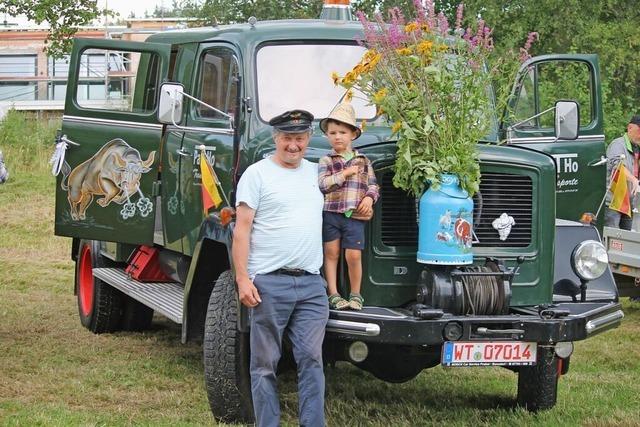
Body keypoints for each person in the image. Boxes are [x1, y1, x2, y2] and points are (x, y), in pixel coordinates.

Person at [232, 109, 328, 427]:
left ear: (308, 139)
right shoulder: (256, 175)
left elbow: (347, 205)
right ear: (276, 138)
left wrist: (367, 202)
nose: (293, 145)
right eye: (287, 138)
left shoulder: (317, 175)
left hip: (313, 286)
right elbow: (242, 230)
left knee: (312, 359)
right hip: (269, 285)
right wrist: (243, 279)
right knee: (265, 364)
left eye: (299, 138)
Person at [318, 102, 379, 311]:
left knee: (353, 255)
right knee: (331, 252)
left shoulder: (363, 160)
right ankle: (333, 293)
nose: (337, 137)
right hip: (331, 213)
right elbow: (322, 185)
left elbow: (373, 185)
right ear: (327, 136)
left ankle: (355, 294)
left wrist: (369, 199)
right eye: (332, 132)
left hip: (354, 215)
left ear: (353, 134)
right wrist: (342, 174)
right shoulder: (326, 160)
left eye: (342, 132)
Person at [605, 115, 640, 230]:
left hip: (629, 204)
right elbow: (618, 167)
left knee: (626, 241)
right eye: (639, 131)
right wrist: (634, 180)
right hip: (613, 204)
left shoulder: (637, 148)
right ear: (629, 128)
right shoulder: (618, 145)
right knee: (612, 241)